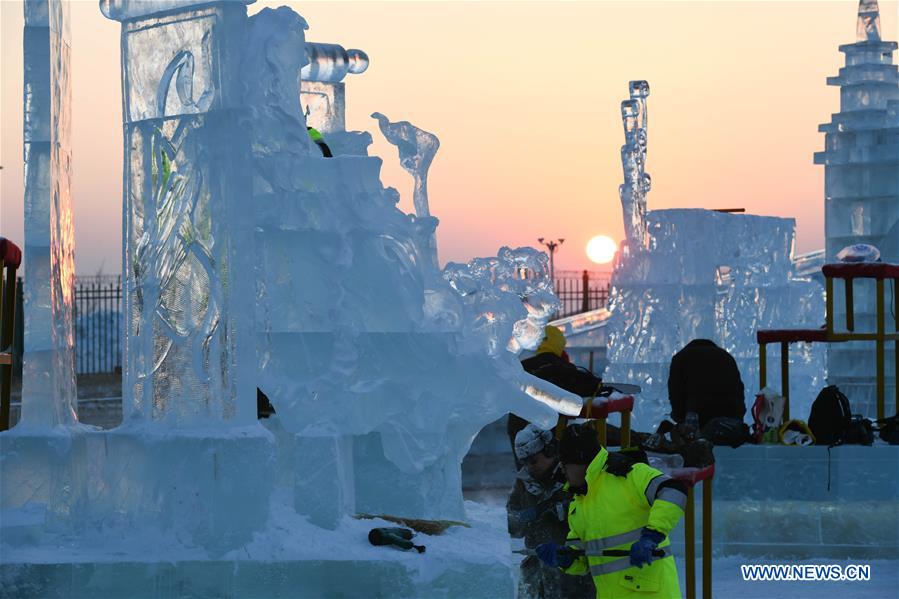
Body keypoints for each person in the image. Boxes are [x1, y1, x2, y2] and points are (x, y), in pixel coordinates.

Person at [536, 424, 688, 599]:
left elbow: (674, 491)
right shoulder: (578, 502)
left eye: (565, 463)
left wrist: (653, 535)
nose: (562, 470)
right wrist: (564, 557)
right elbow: (582, 558)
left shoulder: (629, 475)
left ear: (581, 462)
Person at [507, 425, 595, 599]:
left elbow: (595, 515)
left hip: (574, 569)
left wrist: (562, 508)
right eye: (524, 462)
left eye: (533, 460)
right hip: (537, 571)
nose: (530, 467)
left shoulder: (575, 474)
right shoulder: (523, 483)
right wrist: (522, 518)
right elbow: (512, 527)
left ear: (549, 450)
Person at [509, 326, 606, 460]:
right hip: (544, 436)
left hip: (517, 432)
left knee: (528, 468)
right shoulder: (562, 368)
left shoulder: (522, 366)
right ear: (558, 344)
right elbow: (589, 387)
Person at [667, 338, 745, 432]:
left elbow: (675, 395)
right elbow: (739, 391)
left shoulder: (680, 358)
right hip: (730, 422)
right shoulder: (726, 356)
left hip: (697, 422)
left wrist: (680, 419)